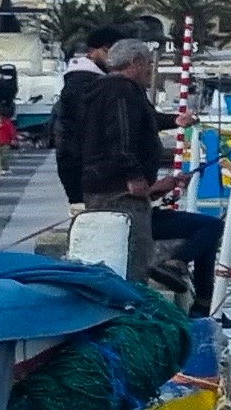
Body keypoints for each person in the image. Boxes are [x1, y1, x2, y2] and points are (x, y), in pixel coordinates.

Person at [79, 40, 217, 311]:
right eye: (148, 65)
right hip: (120, 195)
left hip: (110, 188)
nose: (149, 71)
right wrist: (135, 176)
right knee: (136, 256)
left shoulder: (106, 91)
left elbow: (142, 121)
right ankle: (155, 297)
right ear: (136, 63)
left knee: (206, 228)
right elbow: (119, 135)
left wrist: (173, 122)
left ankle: (193, 292)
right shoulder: (122, 91)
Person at [49, 25, 121, 205]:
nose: (113, 58)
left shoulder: (88, 79)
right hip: (82, 165)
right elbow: (86, 124)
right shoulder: (82, 81)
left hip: (82, 162)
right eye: (109, 51)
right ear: (94, 50)